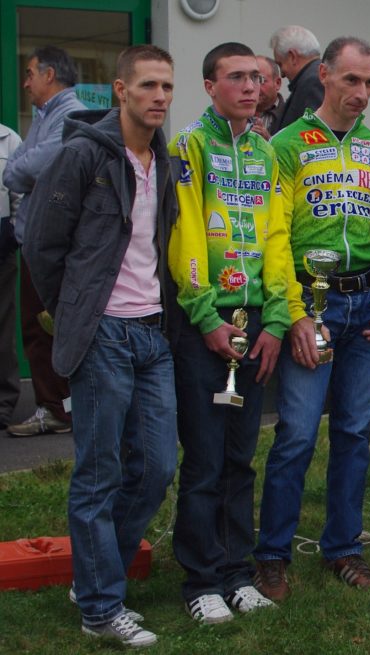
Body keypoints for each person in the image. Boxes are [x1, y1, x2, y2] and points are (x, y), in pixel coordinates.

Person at [23, 44, 180, 649]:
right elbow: (41, 243)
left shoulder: (164, 160)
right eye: (147, 86)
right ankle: (99, 606)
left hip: (153, 331)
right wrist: (76, 311)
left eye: (166, 86)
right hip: (104, 333)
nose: (159, 97)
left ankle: (95, 572)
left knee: (158, 467)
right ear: (119, 90)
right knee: (99, 471)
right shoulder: (82, 154)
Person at [254, 36, 370, 599]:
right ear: (323, 76)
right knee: (294, 434)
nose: (361, 94)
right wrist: (293, 313)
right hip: (309, 304)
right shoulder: (286, 146)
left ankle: (345, 549)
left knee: (354, 434)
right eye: (351, 81)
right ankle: (272, 554)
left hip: (365, 306)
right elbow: (275, 236)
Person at [169, 42, 290, 624]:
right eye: (235, 77)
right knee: (205, 459)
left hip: (254, 324)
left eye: (256, 78)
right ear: (209, 85)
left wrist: (276, 319)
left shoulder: (266, 153)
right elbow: (186, 236)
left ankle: (238, 572)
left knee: (243, 456)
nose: (249, 87)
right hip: (205, 326)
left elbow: (275, 239)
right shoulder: (189, 146)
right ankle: (200, 578)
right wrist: (204, 314)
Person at [3, 45, 83, 437]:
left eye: (31, 72)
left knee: (45, 329)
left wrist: (21, 167)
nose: (26, 81)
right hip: (37, 244)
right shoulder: (45, 116)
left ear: (49, 75)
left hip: (51, 248)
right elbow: (22, 164)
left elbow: (25, 167)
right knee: (39, 330)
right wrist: (22, 167)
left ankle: (59, 410)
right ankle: (58, 407)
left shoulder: (68, 115)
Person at [0, 123, 21, 431]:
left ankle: (4, 403)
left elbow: (21, 194)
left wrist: (13, 234)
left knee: (2, 331)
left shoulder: (9, 140)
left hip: (0, 250)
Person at [269, 25, 324, 133]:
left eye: (280, 64)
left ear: (292, 56)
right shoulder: (317, 77)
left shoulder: (313, 82)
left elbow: (314, 135)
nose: (283, 74)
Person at [251, 55, 285, 138]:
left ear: (277, 83)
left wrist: (269, 142)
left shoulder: (291, 114)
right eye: (249, 80)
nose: (251, 86)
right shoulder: (233, 113)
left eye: (260, 80)